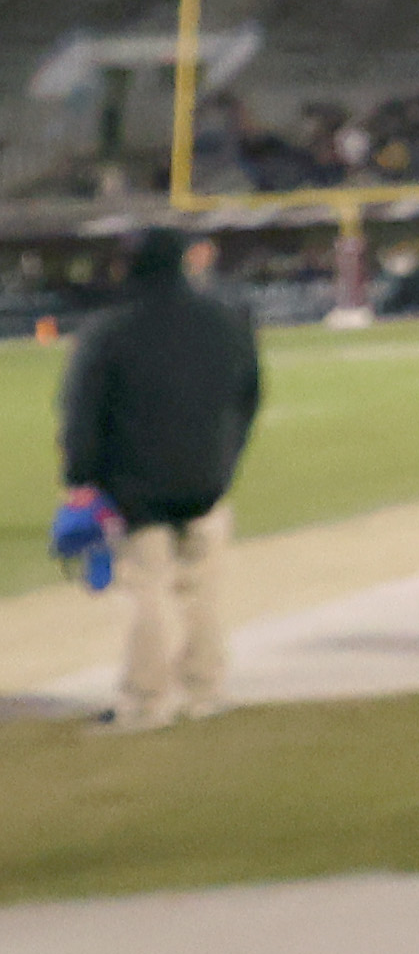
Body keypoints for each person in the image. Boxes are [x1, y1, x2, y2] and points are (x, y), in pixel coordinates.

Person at [69, 231, 264, 734]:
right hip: (206, 480)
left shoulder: (112, 329)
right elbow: (249, 395)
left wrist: (81, 478)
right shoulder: (225, 319)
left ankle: (145, 701)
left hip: (137, 485)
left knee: (147, 591)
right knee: (203, 591)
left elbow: (84, 411)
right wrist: (225, 459)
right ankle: (205, 691)